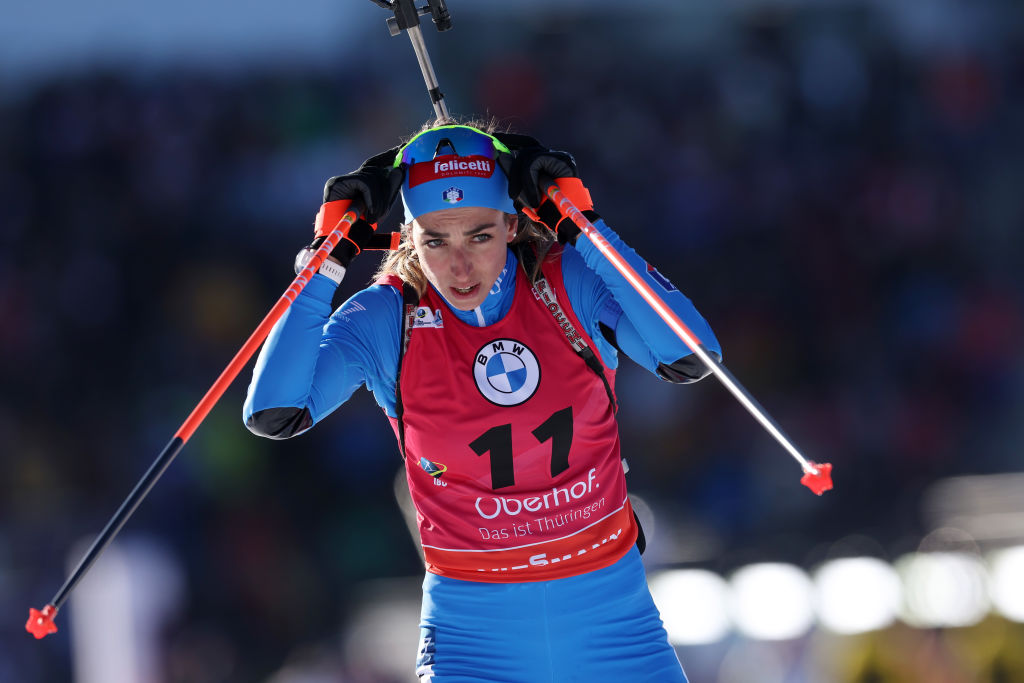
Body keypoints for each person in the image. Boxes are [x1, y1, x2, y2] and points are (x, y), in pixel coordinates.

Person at [244, 121, 721, 682]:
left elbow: (691, 356)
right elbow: (275, 411)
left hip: (614, 624)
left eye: (480, 235)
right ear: (407, 240)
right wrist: (327, 257)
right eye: (435, 240)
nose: (459, 265)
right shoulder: (386, 317)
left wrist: (582, 224)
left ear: (512, 222)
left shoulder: (567, 282)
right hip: (474, 638)